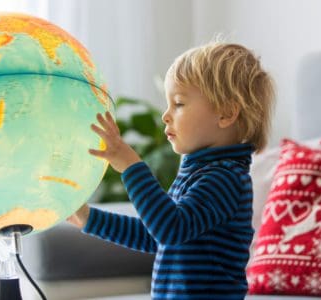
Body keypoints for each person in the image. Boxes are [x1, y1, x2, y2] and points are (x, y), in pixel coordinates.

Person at [67, 42, 275, 299]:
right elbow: (157, 236)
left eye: (178, 103)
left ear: (226, 113)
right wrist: (90, 219)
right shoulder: (197, 173)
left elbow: (169, 229)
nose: (166, 115)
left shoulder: (226, 178)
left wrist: (131, 167)